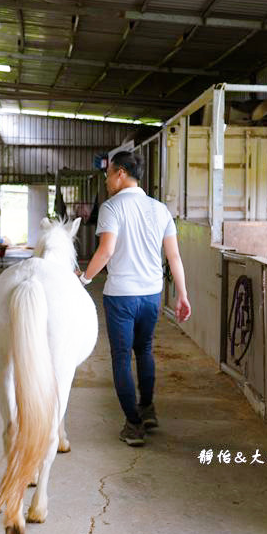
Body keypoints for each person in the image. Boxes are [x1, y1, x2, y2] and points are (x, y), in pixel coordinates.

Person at [78, 150, 191, 447]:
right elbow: (175, 257)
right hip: (151, 295)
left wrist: (84, 279)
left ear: (120, 174)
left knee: (120, 358)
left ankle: (133, 424)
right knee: (144, 350)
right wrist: (182, 294)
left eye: (108, 174)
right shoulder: (160, 209)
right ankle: (148, 408)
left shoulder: (112, 208)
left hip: (121, 297)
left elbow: (105, 252)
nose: (105, 181)